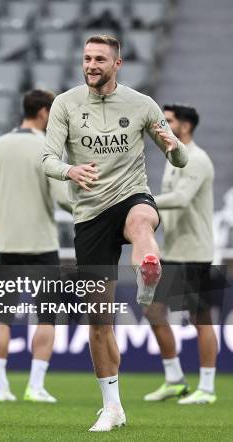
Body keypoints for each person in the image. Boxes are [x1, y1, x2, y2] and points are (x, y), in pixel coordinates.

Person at [42, 35, 188, 432]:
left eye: (100, 59)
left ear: (117, 64)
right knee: (99, 319)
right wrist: (70, 170)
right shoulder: (65, 104)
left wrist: (174, 149)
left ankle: (147, 272)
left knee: (142, 221)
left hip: (131, 194)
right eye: (87, 58)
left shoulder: (142, 104)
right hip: (89, 212)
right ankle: (113, 407)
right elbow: (47, 159)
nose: (91, 64)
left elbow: (179, 156)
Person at [0, 89, 71, 403]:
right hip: (42, 244)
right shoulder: (48, 148)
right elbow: (63, 199)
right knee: (46, 317)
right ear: (45, 113)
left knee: (2, 316)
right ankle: (35, 386)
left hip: (7, 245)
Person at [144, 104, 218, 404]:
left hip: (194, 253)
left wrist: (142, 201)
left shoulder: (197, 159)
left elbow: (181, 199)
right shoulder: (173, 159)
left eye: (168, 121)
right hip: (172, 252)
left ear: (184, 127)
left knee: (201, 318)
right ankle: (174, 378)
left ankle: (208, 388)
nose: (162, 124)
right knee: (151, 310)